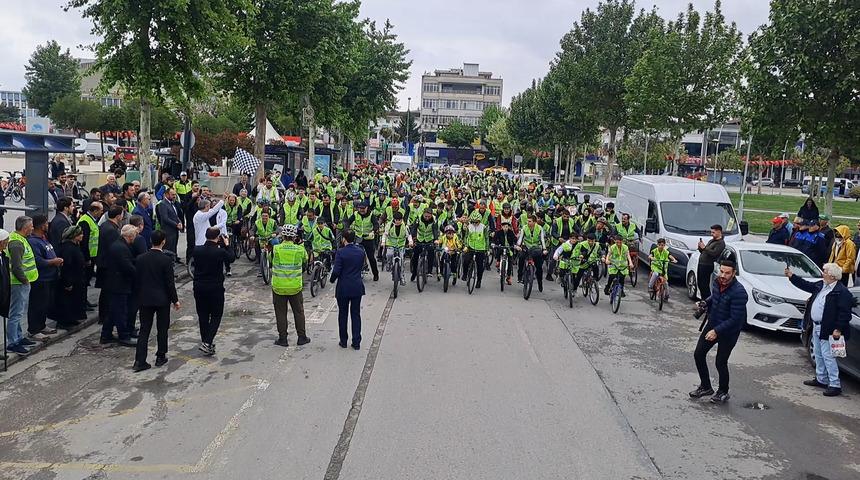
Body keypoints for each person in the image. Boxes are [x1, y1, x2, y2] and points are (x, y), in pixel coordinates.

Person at [787, 263, 852, 397]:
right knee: (818, 353)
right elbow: (805, 285)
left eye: (825, 271)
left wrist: (838, 329)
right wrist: (792, 276)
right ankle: (821, 378)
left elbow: (845, 313)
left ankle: (834, 384)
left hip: (828, 329)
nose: (822, 273)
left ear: (833, 276)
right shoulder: (821, 285)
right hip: (816, 326)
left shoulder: (842, 292)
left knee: (829, 357)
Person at [689, 260, 748, 404]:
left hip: (729, 331)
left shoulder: (739, 292)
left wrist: (717, 331)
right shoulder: (717, 282)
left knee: (720, 362)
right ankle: (706, 386)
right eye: (722, 271)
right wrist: (705, 302)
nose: (723, 275)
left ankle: (723, 391)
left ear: (734, 273)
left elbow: (735, 319)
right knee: (699, 354)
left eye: (727, 273)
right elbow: (715, 297)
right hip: (713, 324)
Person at [132, 230, 180, 372]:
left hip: (145, 299)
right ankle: (161, 356)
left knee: (144, 330)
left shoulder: (140, 259)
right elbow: (169, 283)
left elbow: (137, 280)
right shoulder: (166, 260)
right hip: (162, 299)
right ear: (163, 241)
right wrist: (175, 300)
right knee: (162, 328)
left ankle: (140, 360)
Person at [192, 227, 235, 356]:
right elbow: (231, 258)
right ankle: (207, 341)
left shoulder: (197, 250)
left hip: (199, 286)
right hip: (215, 288)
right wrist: (227, 245)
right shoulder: (219, 252)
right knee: (216, 315)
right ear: (217, 238)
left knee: (203, 315)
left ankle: (207, 343)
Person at [271, 225, 309, 347]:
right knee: (298, 311)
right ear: (294, 236)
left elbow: (269, 259)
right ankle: (301, 337)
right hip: (295, 287)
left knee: (281, 313)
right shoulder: (299, 249)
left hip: (279, 287)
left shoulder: (276, 248)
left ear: (282, 235)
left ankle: (283, 339)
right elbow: (305, 260)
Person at [6, 218, 39, 356]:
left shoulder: (20, 238)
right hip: (18, 283)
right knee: (16, 313)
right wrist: (25, 280)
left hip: (22, 283)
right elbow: (17, 267)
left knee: (18, 312)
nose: (32, 228)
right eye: (31, 226)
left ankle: (19, 337)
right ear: (24, 228)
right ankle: (13, 342)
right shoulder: (16, 243)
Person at [27, 214, 62, 340]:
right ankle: (34, 329)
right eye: (46, 223)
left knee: (45, 303)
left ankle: (42, 325)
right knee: (37, 304)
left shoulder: (44, 238)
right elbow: (38, 260)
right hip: (40, 279)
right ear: (42, 226)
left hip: (50, 277)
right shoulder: (33, 242)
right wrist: (53, 261)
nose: (48, 225)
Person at [102, 225, 139, 347]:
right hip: (119, 284)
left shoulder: (120, 245)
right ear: (130, 236)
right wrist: (139, 273)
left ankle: (106, 334)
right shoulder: (121, 248)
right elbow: (127, 266)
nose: (135, 238)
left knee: (113, 311)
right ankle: (124, 336)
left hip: (115, 283)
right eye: (134, 236)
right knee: (120, 311)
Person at [330, 229, 366, 350]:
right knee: (356, 314)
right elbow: (362, 266)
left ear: (343, 239)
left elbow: (336, 271)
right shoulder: (361, 252)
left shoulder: (341, 252)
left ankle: (343, 340)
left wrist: (332, 279)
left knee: (343, 314)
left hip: (343, 287)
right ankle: (356, 342)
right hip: (357, 286)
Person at [54, 225, 87, 329]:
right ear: (74, 236)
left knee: (73, 300)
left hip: (76, 278)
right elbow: (66, 267)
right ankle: (63, 322)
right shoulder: (67, 248)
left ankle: (71, 319)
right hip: (69, 280)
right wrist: (68, 282)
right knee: (66, 301)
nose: (82, 236)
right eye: (80, 234)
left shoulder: (75, 245)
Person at [516, 215, 547, 292]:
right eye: (527, 221)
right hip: (526, 246)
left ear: (534, 222)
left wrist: (544, 249)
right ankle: (520, 276)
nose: (528, 222)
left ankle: (540, 282)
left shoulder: (540, 228)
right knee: (521, 257)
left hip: (536, 248)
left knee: (539, 267)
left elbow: (542, 240)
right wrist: (518, 246)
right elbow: (521, 238)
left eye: (530, 221)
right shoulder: (524, 228)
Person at [696, 225, 726, 300]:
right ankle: (703, 301)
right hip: (701, 264)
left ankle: (707, 302)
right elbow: (704, 252)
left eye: (713, 232)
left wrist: (705, 248)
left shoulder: (721, 243)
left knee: (704, 285)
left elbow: (714, 253)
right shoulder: (712, 240)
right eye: (711, 232)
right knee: (700, 284)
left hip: (707, 265)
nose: (711, 234)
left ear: (719, 232)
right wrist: (701, 247)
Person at [462, 211, 489, 288]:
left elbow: (486, 238)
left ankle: (479, 280)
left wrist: (487, 249)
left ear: (479, 221)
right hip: (470, 247)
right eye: (473, 222)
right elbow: (466, 237)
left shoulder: (483, 227)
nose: (474, 223)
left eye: (476, 222)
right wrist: (466, 246)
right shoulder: (469, 227)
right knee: (466, 260)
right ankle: (465, 274)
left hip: (481, 249)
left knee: (480, 266)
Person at [156, 188, 183, 261]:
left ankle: (173, 260)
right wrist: (176, 224)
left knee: (173, 247)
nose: (174, 196)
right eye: (172, 194)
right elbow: (165, 218)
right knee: (168, 248)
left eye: (175, 194)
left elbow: (175, 215)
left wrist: (179, 222)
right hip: (168, 231)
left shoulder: (172, 203)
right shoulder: (162, 204)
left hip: (174, 230)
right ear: (166, 195)